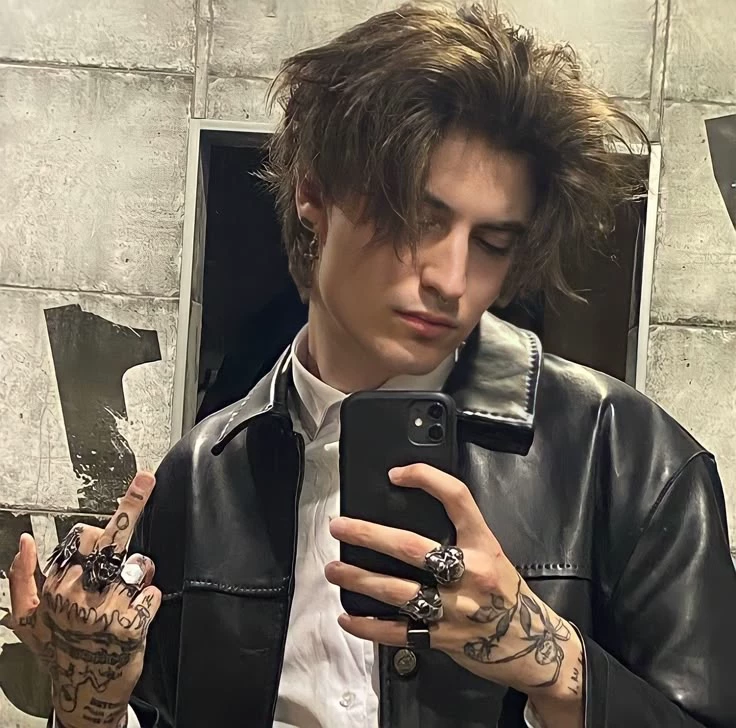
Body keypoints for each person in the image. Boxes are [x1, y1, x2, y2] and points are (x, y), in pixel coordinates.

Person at [8, 4, 736, 728]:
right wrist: (91, 702)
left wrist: (553, 663)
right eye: (419, 219)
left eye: (491, 243)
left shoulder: (627, 455)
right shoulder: (203, 475)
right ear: (314, 193)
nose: (451, 279)